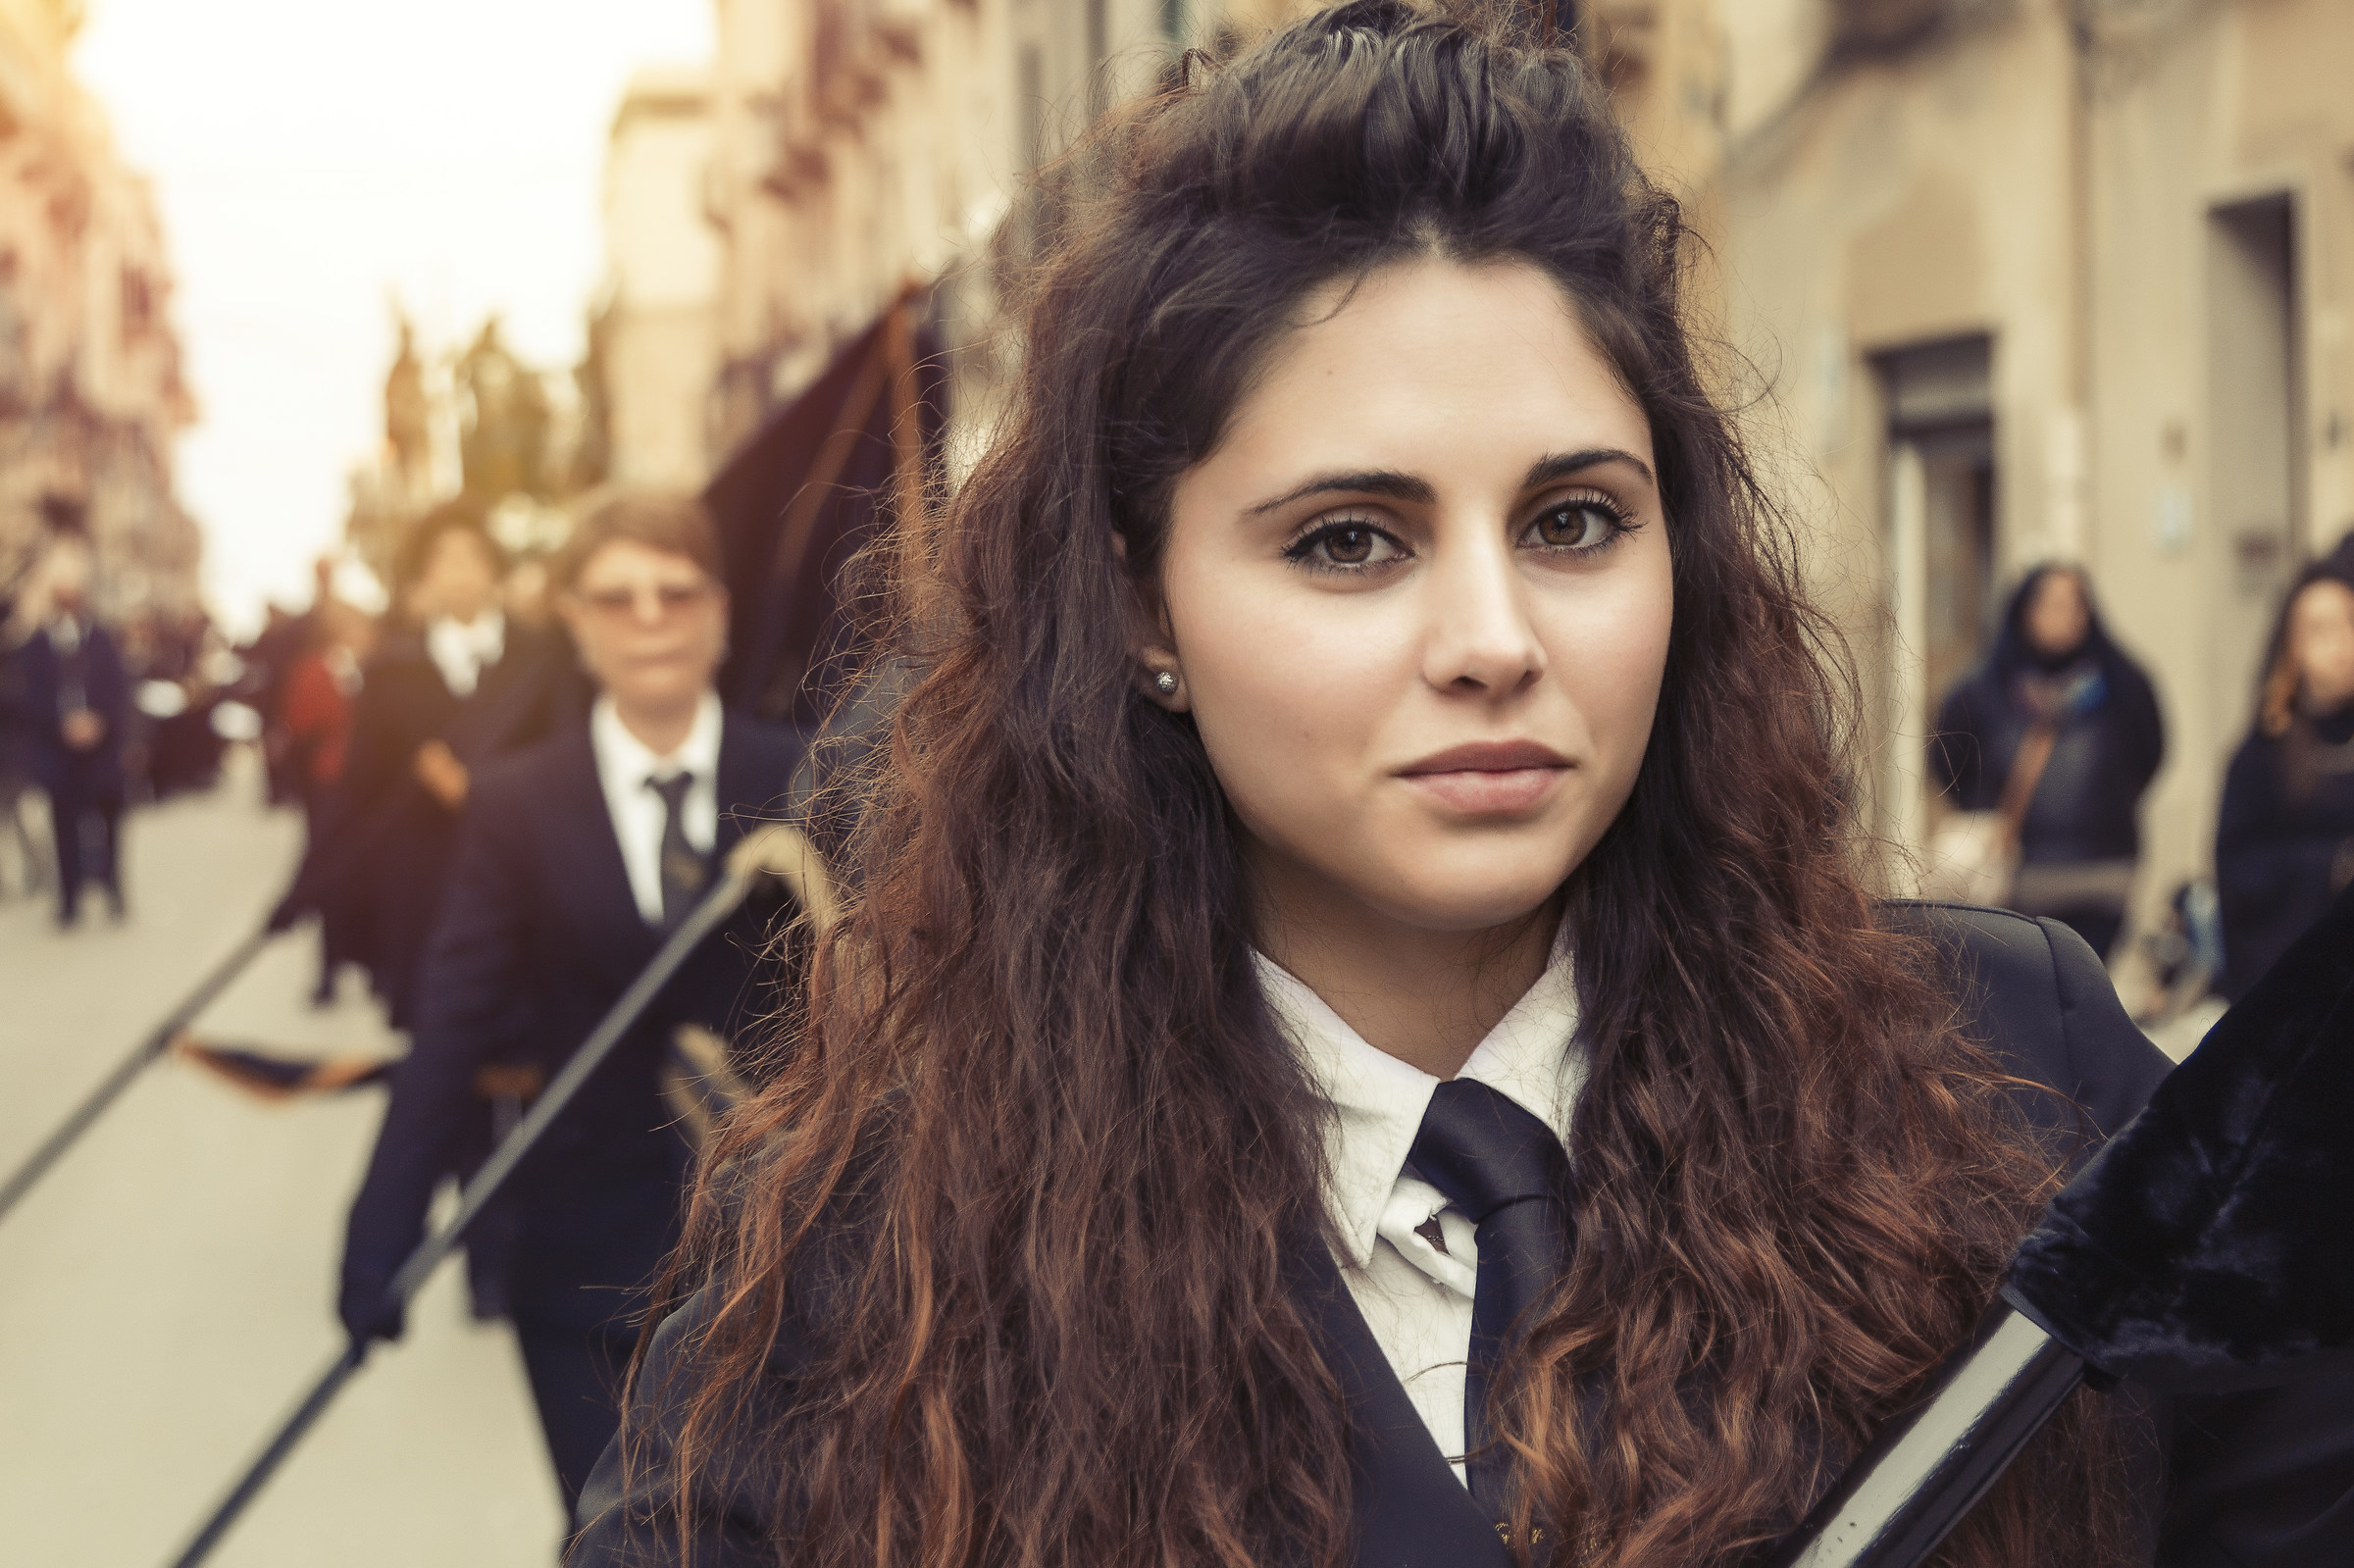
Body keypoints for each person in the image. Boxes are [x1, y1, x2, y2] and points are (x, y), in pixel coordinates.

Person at [575, 7, 2352, 1567]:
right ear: (1141, 609)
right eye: (1351, 539)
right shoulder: (869, 1254)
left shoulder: (2008, 1072)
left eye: (1574, 520)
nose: (1496, 639)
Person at [339, 489, 806, 1526]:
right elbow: (452, 1024)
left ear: (721, 613)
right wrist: (381, 1234)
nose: (650, 620)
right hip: (583, 1264)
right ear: (576, 624)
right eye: (616, 598)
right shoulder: (516, 805)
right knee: (612, 1537)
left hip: (783, 1266)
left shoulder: (802, 777)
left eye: (676, 593)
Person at [332, 500, 574, 1028]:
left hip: (522, 879)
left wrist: (478, 790)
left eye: (473, 555)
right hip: (426, 885)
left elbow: (568, 757)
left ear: (494, 568)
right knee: (437, 1032)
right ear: (424, 576)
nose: (460, 571)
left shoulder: (541, 657)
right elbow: (362, 784)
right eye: (444, 558)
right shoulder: (392, 669)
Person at [1929, 562, 2166, 958]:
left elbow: (2150, 754)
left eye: (2074, 605)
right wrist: (1984, 813)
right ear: (2024, 611)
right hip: (2017, 876)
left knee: (2084, 981)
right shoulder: (1984, 689)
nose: (2063, 616)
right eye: (2050, 604)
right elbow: (1947, 761)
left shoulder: (2123, 685)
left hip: (2102, 874)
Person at [2215, 541, 2354, 1002]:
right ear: (2291, 645)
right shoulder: (2263, 754)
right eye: (2321, 629)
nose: (2341, 645)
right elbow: (2239, 874)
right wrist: (2329, 866)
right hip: (2296, 977)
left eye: (2350, 623)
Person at [9, 539, 132, 926]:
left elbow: (118, 690)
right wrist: (62, 724)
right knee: (64, 823)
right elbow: (29, 696)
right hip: (58, 749)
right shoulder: (36, 644)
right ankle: (69, 898)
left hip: (101, 748)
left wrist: (99, 722)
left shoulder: (103, 640)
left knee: (108, 822)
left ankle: (112, 887)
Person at [280, 597, 378, 1004]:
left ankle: (368, 963)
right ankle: (328, 970)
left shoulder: (379, 669)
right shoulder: (312, 669)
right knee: (329, 876)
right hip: (329, 786)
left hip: (370, 789)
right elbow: (299, 724)